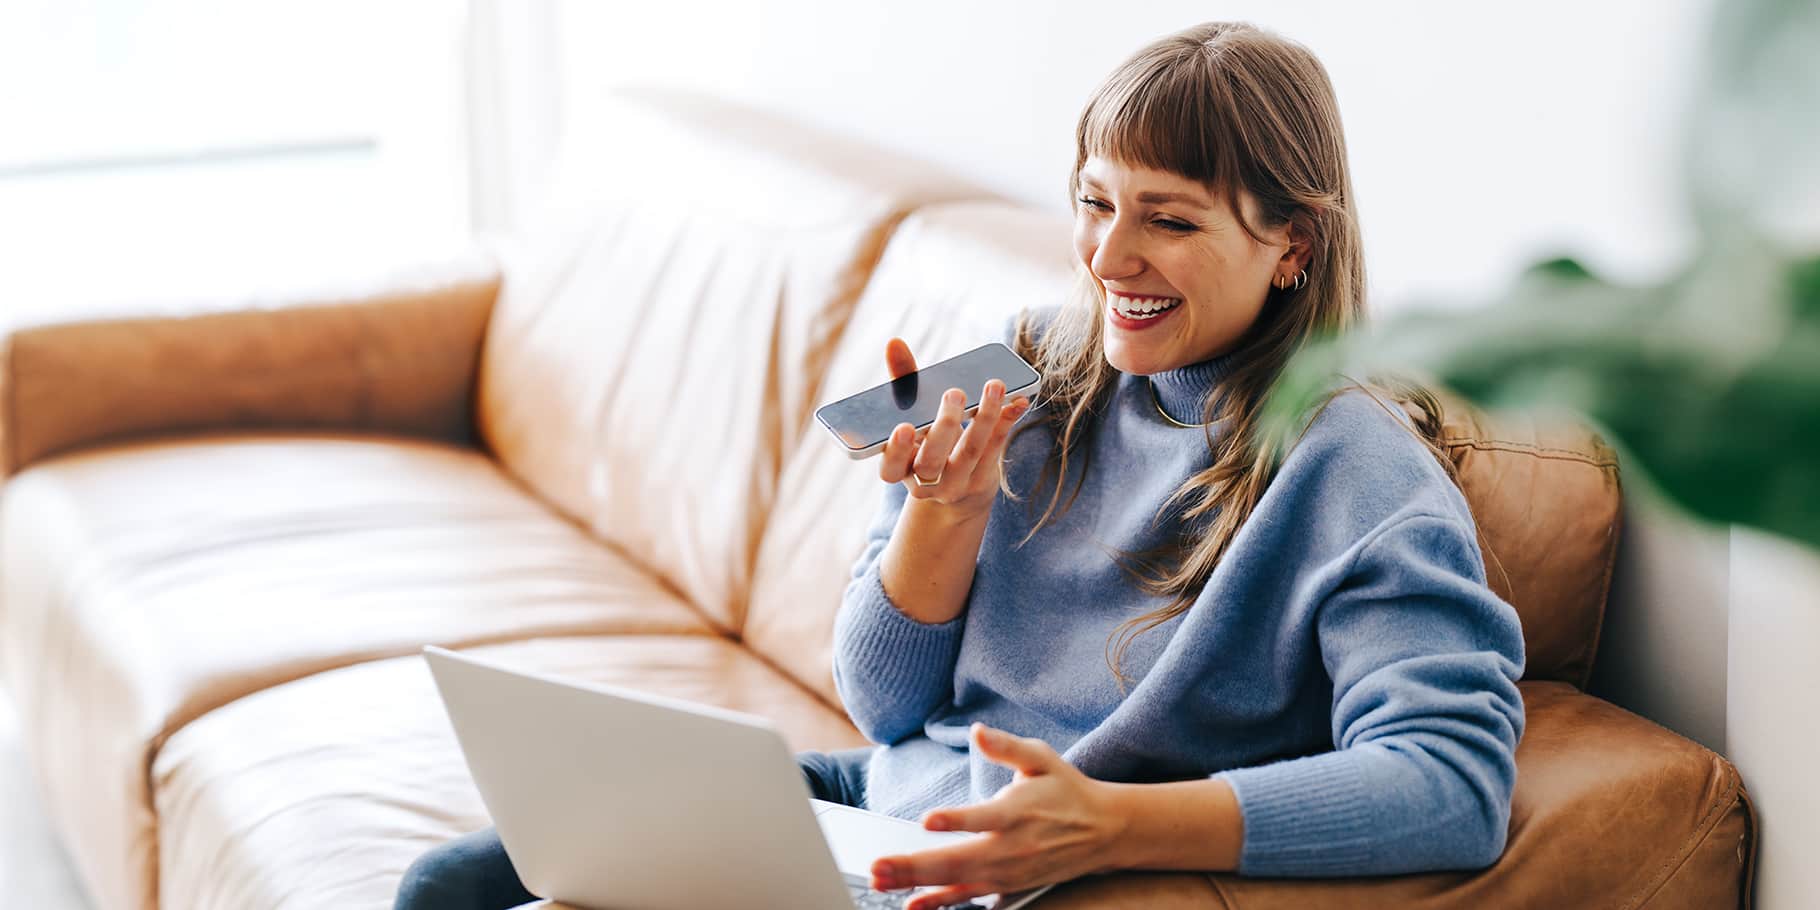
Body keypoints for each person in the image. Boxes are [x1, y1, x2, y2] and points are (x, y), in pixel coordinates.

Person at [395, 20, 1523, 910]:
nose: (1110, 257)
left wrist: (1116, 823)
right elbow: (882, 706)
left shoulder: (1355, 471)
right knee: (447, 883)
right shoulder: (1025, 360)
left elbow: (1450, 782)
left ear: (1294, 246)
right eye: (1093, 203)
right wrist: (944, 515)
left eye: (1168, 221)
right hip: (880, 798)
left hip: (989, 861)